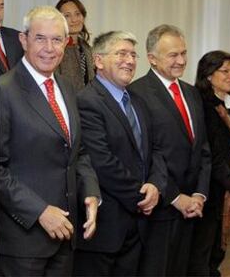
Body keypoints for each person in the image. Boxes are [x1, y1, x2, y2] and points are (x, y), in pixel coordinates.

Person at [0, 5, 100, 277]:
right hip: (22, 242)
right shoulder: (2, 90)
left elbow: (79, 151)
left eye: (57, 40)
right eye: (40, 38)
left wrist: (90, 192)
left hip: (65, 238)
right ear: (23, 40)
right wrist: (39, 211)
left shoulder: (66, 88)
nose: (49, 48)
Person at [74, 31, 162, 276]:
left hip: (137, 225)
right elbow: (101, 162)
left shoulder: (137, 101)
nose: (130, 60)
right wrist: (140, 197)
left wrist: (155, 185)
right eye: (121, 53)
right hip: (105, 227)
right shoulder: (87, 101)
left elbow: (153, 149)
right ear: (98, 61)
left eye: (133, 55)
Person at [129, 24, 211, 276]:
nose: (181, 60)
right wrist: (176, 198)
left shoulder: (191, 92)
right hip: (161, 209)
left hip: (192, 207)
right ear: (152, 59)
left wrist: (199, 193)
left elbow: (203, 148)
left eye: (184, 53)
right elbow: (147, 154)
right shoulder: (137, 93)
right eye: (173, 55)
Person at [189, 50, 230, 276]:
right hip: (207, 189)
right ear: (209, 75)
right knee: (202, 250)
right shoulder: (203, 105)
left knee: (217, 251)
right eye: (225, 71)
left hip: (225, 187)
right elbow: (214, 157)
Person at [55, 0, 94, 91]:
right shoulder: (56, 48)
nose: (74, 20)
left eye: (77, 14)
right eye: (67, 16)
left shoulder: (87, 48)